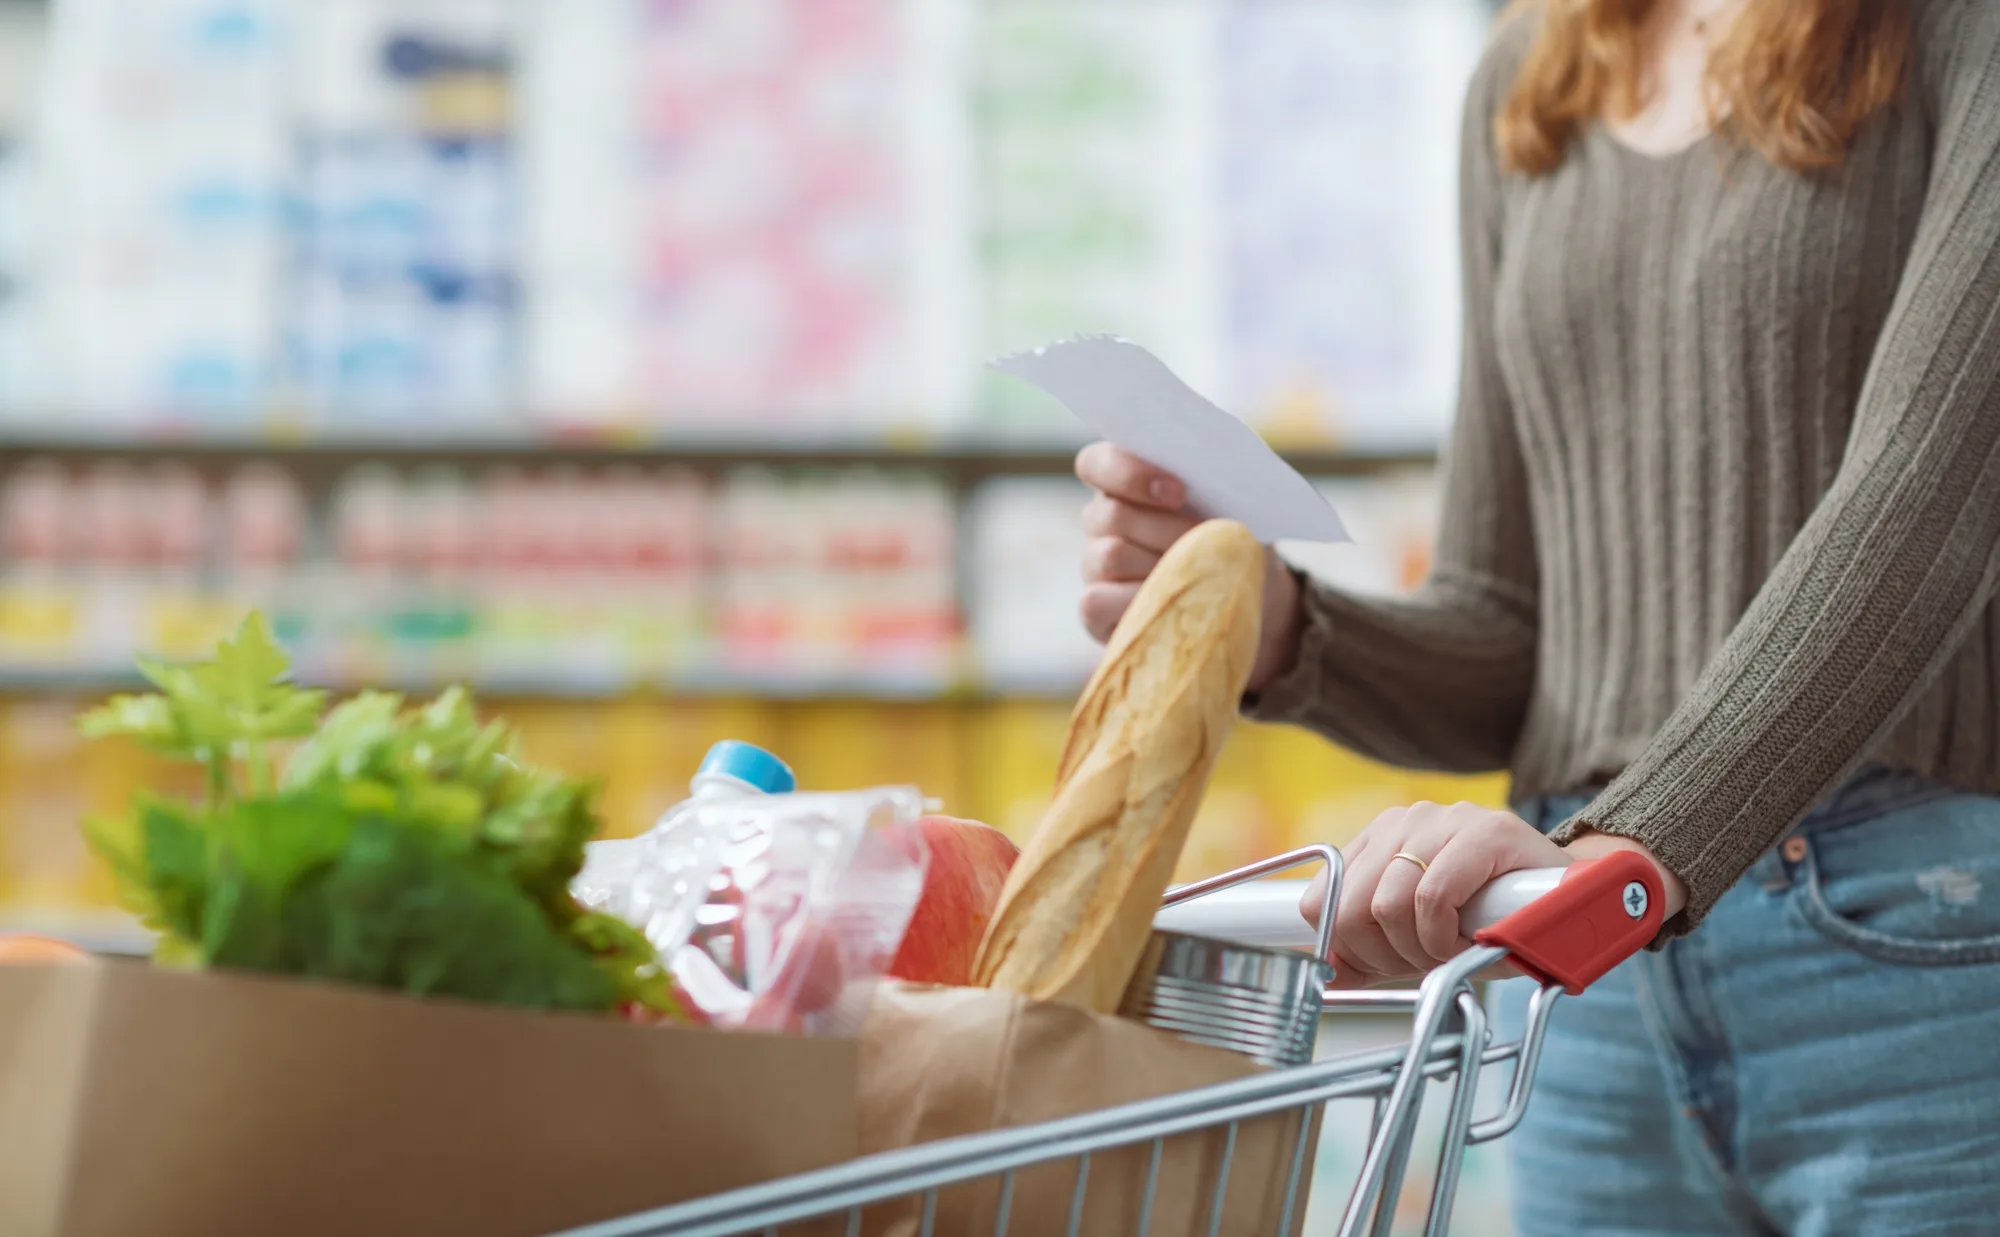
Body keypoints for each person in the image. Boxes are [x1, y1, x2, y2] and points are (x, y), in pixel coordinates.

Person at [1076, 0, 2000, 1231]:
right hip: (1576, 964)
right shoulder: (1535, 69)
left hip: (1893, 931)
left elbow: (1930, 507)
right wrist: (1283, 628)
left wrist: (1633, 853)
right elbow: (1508, 631)